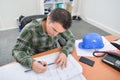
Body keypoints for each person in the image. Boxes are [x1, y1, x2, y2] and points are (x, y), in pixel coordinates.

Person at [12, 8, 75, 73]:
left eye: (59, 32)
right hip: (36, 57)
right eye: (54, 30)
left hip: (53, 55)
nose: (55, 34)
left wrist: (65, 52)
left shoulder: (59, 26)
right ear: (48, 19)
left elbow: (71, 38)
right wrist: (32, 63)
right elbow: (17, 50)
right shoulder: (30, 29)